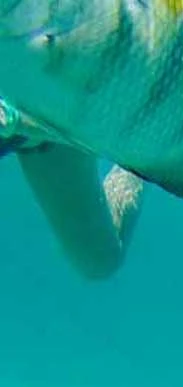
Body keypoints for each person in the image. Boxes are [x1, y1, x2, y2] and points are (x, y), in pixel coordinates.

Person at [1, 100, 143, 280]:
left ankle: (152, 150)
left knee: (97, 258)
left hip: (53, 108)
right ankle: (148, 150)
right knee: (98, 259)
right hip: (37, 127)